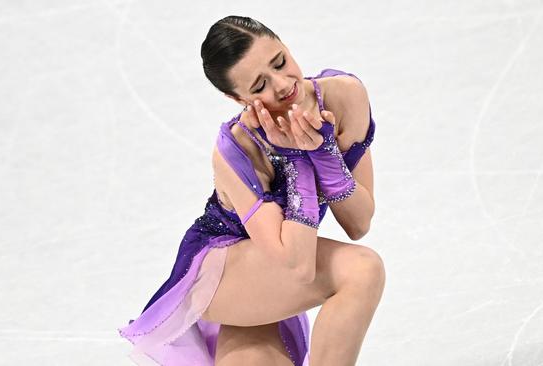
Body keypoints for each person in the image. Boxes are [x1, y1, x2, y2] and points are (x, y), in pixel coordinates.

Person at [118, 15, 385, 366]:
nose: (282, 84)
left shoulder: (344, 95)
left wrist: (327, 157)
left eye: (280, 62)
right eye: (259, 86)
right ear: (236, 97)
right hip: (224, 272)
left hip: (274, 270)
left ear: (285, 45)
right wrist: (296, 160)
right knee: (362, 268)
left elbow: (359, 222)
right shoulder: (235, 149)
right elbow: (299, 266)